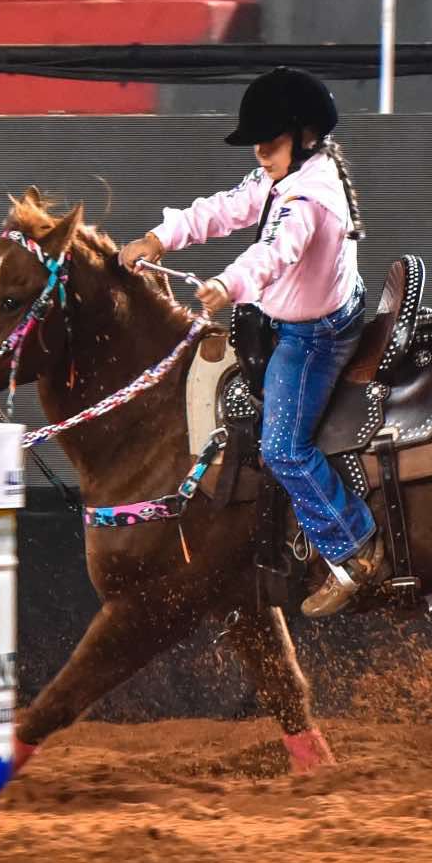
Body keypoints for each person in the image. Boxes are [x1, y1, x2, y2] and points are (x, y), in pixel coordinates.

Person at [119, 67, 385, 618]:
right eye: (258, 142)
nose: (260, 152)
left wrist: (227, 285)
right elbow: (225, 207)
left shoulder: (308, 199)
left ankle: (354, 547)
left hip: (312, 338)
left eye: (270, 141)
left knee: (282, 448)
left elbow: (273, 252)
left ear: (304, 137)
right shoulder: (288, 174)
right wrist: (158, 239)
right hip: (302, 313)